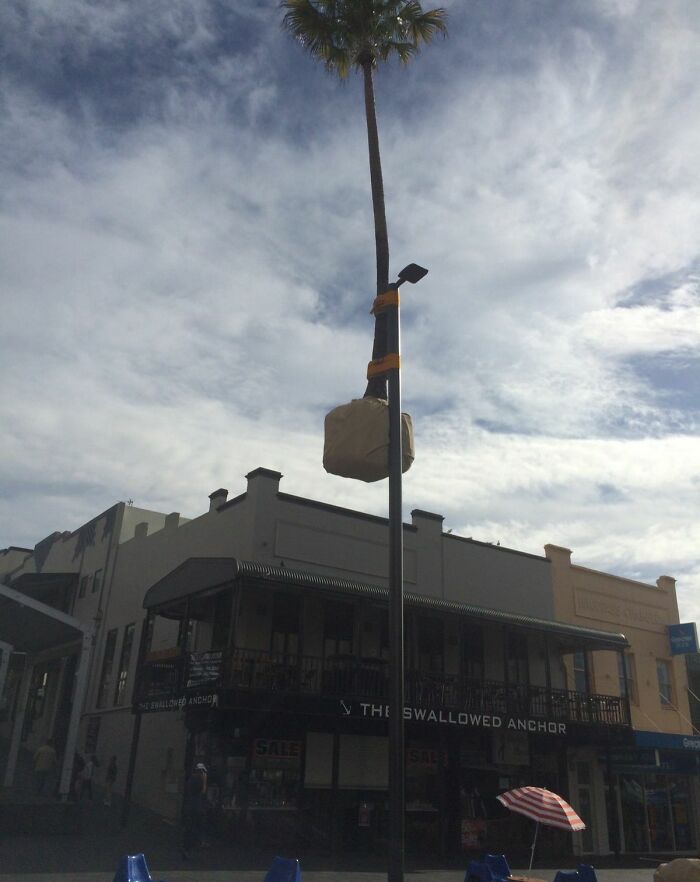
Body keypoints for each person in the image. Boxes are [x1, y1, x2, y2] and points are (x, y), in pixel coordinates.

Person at [182, 762, 207, 860]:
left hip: (190, 807)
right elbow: (203, 791)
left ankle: (187, 848)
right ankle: (189, 848)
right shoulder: (197, 780)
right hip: (195, 808)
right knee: (193, 828)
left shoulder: (191, 780)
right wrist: (204, 781)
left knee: (189, 828)